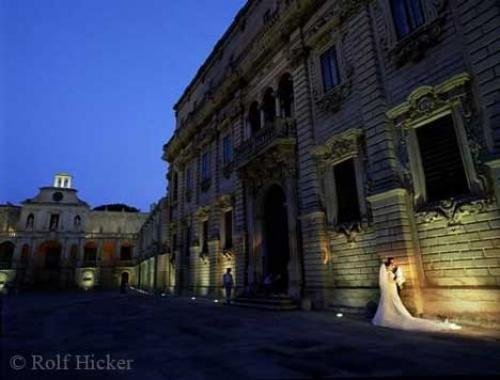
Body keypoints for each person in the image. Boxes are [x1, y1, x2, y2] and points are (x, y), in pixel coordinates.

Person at [372, 257, 461, 331]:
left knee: (388, 304)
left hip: (391, 290)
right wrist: (399, 278)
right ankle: (389, 316)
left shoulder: (388, 272)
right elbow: (391, 281)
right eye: (392, 264)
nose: (393, 266)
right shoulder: (389, 273)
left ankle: (386, 316)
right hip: (391, 290)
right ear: (388, 266)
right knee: (393, 303)